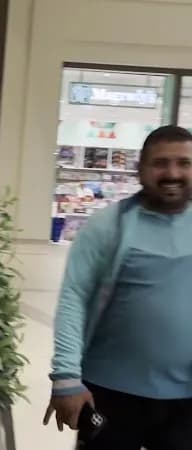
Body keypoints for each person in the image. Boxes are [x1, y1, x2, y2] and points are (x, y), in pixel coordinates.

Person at [44, 125, 192, 449]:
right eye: (160, 163)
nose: (172, 173)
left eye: (184, 163)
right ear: (140, 169)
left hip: (185, 402)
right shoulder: (107, 226)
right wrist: (66, 377)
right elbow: (74, 297)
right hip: (110, 394)